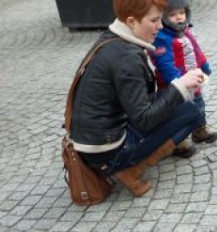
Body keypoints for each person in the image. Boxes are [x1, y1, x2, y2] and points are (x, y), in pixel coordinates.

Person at [69, 0, 206, 197]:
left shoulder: (111, 40)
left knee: (176, 102)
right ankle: (129, 169)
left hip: (93, 141)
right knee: (193, 111)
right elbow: (144, 119)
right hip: (108, 152)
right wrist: (181, 85)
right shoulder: (126, 58)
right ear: (132, 22)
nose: (160, 25)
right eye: (154, 20)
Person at [149, 0, 217, 158]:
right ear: (163, 18)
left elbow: (196, 50)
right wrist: (177, 81)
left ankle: (199, 130)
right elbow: (163, 63)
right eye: (172, 15)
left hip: (194, 79)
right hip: (175, 85)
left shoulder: (186, 30)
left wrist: (204, 65)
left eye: (181, 13)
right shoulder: (161, 38)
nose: (179, 17)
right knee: (179, 113)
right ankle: (178, 141)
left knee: (198, 104)